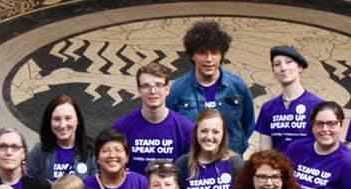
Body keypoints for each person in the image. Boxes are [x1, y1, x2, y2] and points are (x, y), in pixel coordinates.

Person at [168, 21, 255, 154]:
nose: (209, 59)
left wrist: (236, 149)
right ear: (192, 55)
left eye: (214, 53)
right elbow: (172, 128)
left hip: (231, 162)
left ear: (221, 56)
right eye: (202, 53)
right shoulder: (177, 89)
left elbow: (247, 124)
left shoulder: (237, 86)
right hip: (191, 163)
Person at [113, 62, 194, 175]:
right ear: (139, 90)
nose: (153, 91)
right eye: (146, 86)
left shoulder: (186, 129)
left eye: (158, 85)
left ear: (167, 89)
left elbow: (192, 171)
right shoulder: (121, 128)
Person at [285, 101, 351, 189]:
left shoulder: (350, 165)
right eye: (319, 123)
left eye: (331, 124)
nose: (325, 129)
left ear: (341, 125)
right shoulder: (296, 148)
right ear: (312, 126)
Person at [175, 109, 244, 189]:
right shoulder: (183, 164)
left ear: (223, 134)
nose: (209, 137)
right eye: (204, 131)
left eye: (216, 132)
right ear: (196, 133)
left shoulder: (235, 163)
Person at [254, 45, 322, 153]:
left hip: (307, 168)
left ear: (300, 67)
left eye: (289, 62)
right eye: (277, 64)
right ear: (274, 71)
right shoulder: (268, 108)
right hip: (277, 168)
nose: (283, 68)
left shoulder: (318, 106)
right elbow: (265, 152)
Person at [27, 95, 96, 182]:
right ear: (49, 122)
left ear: (77, 120)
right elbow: (30, 185)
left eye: (68, 118)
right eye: (57, 119)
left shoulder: (92, 151)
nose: (62, 125)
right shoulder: (38, 151)